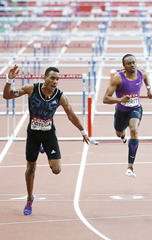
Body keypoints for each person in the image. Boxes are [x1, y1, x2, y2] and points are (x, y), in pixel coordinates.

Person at [2, 64, 90, 215]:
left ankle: (45, 148)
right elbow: (7, 96)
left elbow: (71, 114)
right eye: (52, 78)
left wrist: (83, 131)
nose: (55, 81)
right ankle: (30, 198)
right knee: (31, 168)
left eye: (57, 79)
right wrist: (9, 80)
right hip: (33, 135)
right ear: (45, 78)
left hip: (49, 134)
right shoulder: (31, 89)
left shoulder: (60, 96)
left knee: (57, 170)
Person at [103, 54, 152, 178]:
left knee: (134, 129)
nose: (132, 65)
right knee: (119, 132)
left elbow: (146, 79)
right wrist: (120, 100)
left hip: (135, 108)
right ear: (124, 66)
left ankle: (130, 167)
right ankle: (122, 135)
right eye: (129, 63)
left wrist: (148, 89)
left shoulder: (142, 73)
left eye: (134, 62)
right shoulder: (117, 78)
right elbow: (105, 99)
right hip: (121, 111)